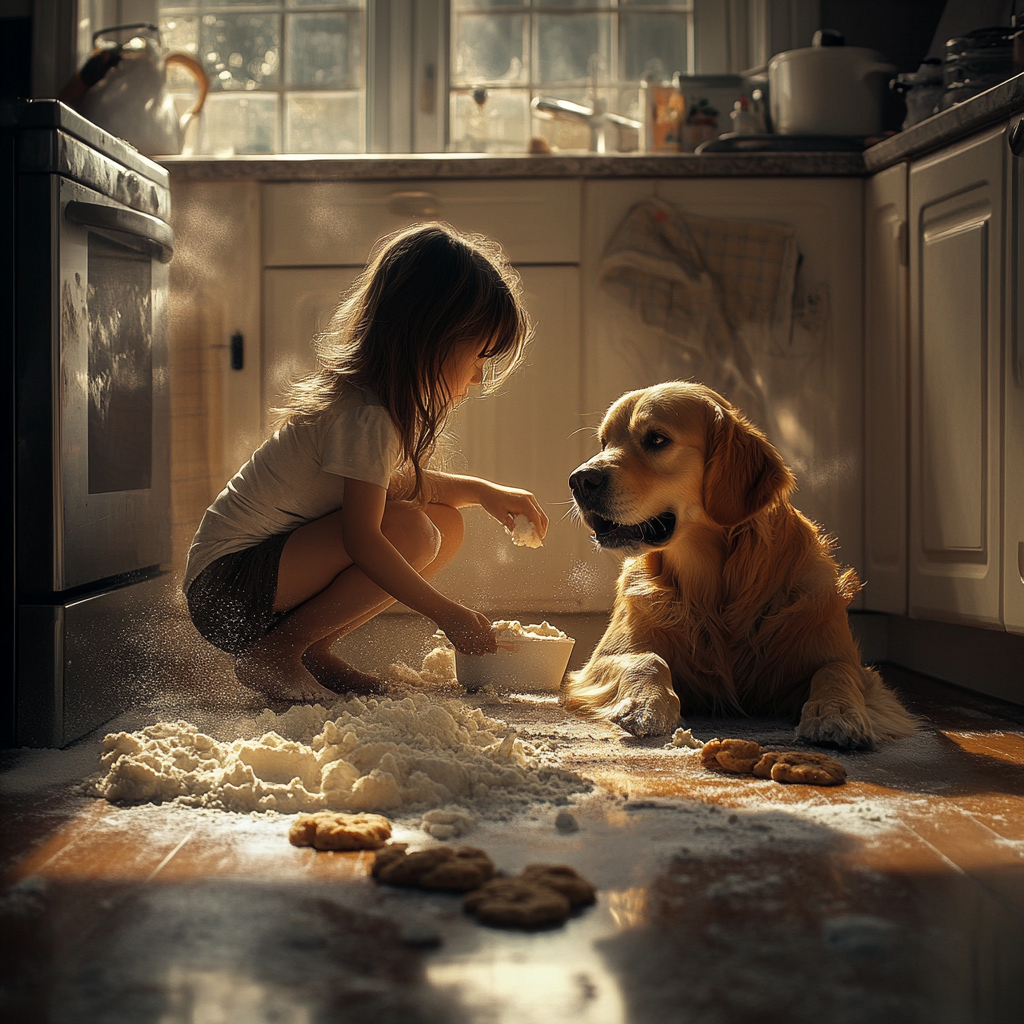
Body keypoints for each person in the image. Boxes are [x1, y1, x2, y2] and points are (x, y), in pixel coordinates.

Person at [182, 223, 547, 703]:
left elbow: (401, 487)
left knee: (445, 524)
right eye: (477, 356)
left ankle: (308, 648)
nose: (479, 377)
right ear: (429, 338)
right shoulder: (366, 415)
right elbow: (362, 537)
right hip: (227, 590)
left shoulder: (370, 405)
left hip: (251, 582)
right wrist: (448, 614)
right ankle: (277, 652)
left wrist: (483, 492)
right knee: (413, 532)